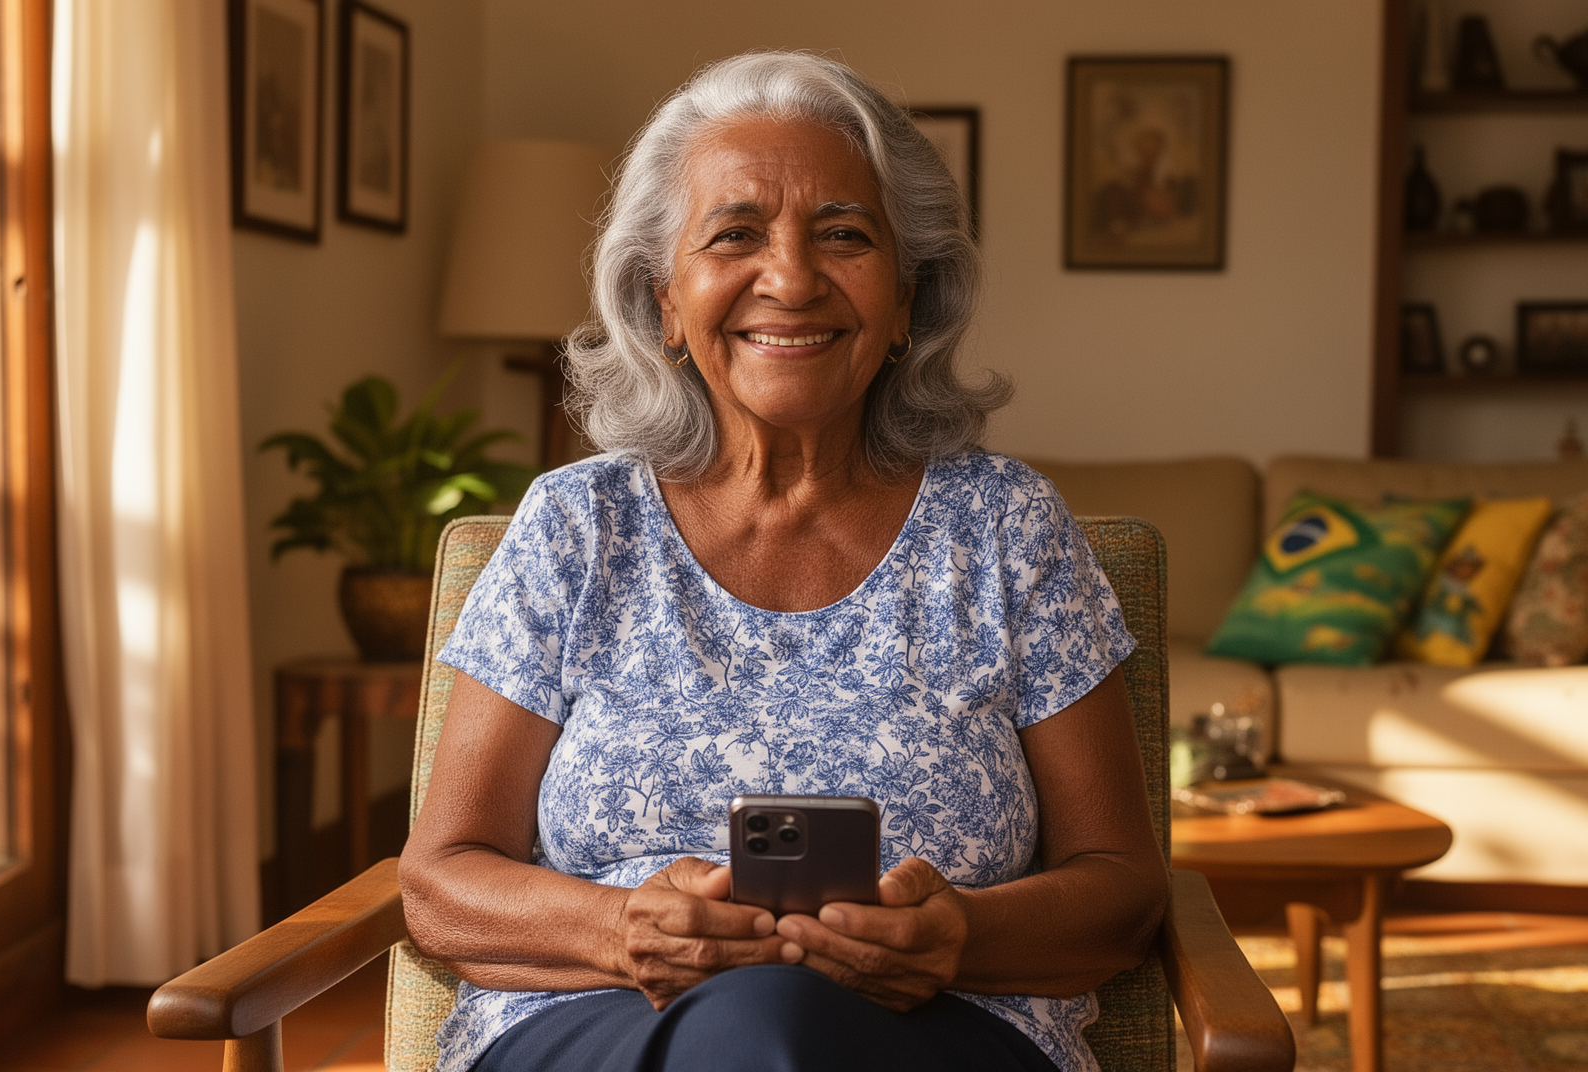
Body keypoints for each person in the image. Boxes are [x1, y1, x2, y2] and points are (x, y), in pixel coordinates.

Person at [399, 51, 1168, 1072]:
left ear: (906, 300)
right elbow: (440, 881)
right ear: (666, 301)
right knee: (757, 1034)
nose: (793, 278)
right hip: (601, 1020)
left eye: (845, 235)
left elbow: (1121, 884)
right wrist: (620, 926)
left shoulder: (1006, 528)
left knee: (772, 1035)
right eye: (735, 235)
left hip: (941, 1029)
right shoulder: (578, 528)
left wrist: (960, 939)